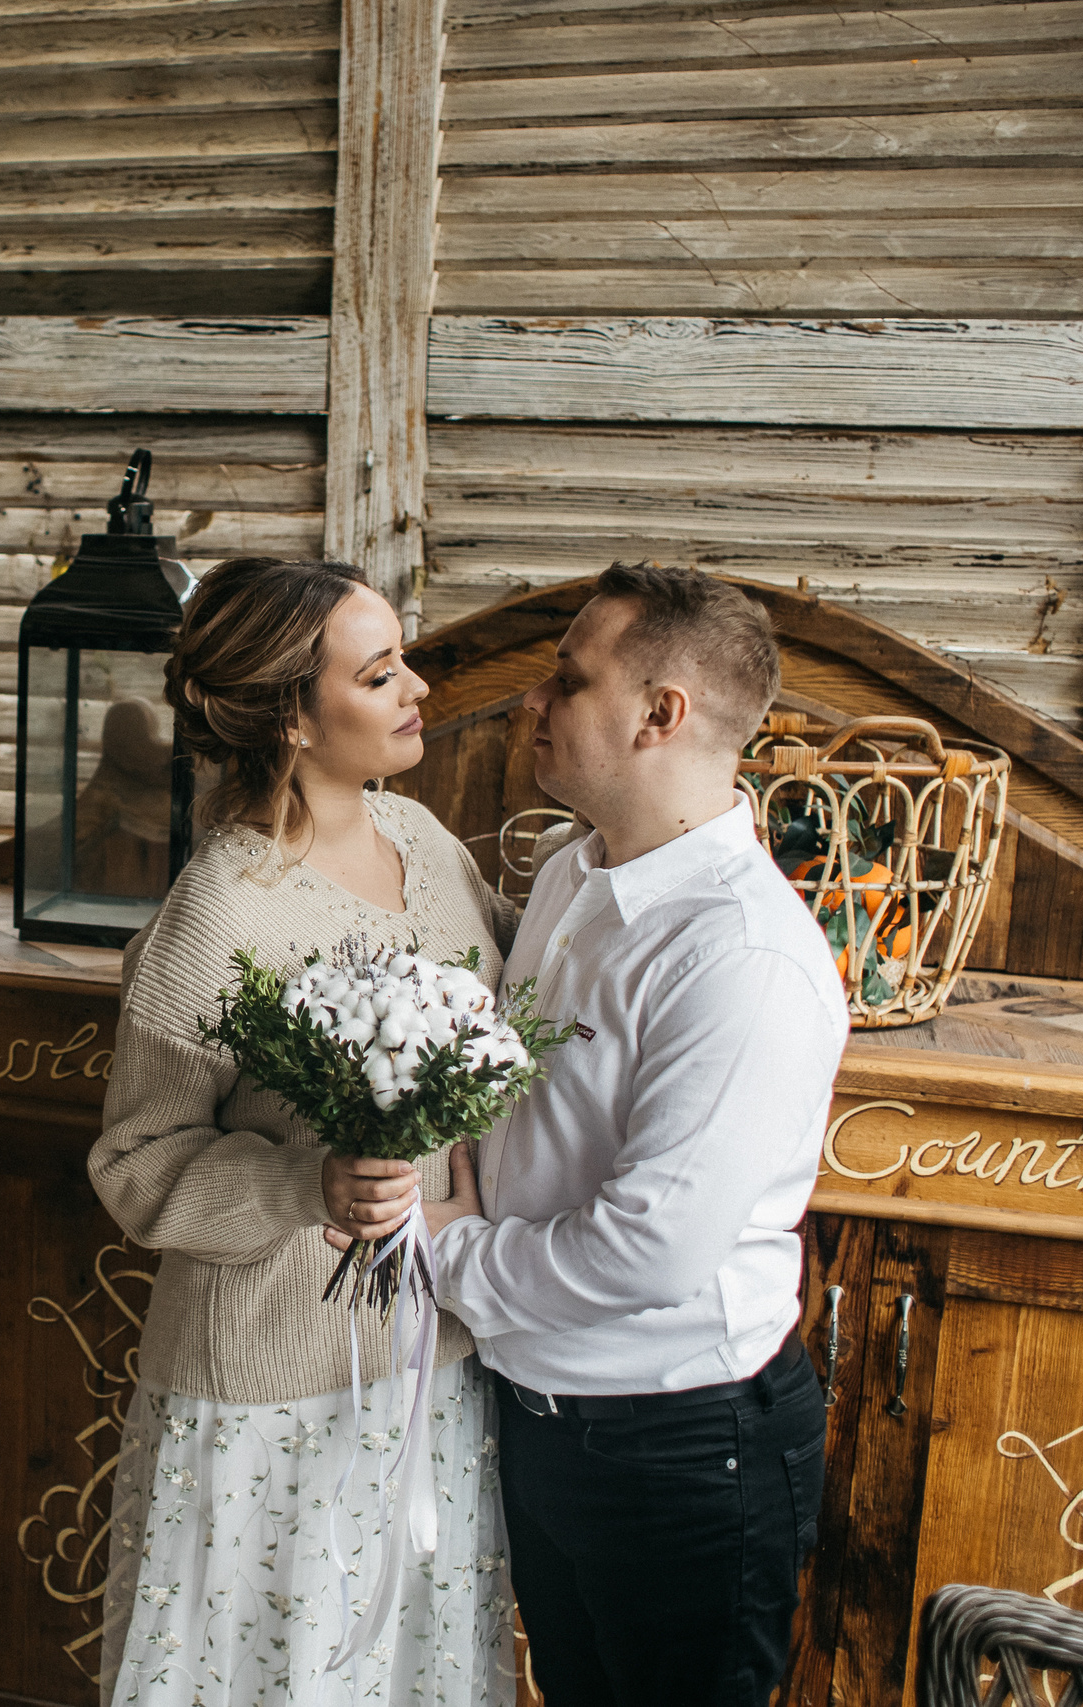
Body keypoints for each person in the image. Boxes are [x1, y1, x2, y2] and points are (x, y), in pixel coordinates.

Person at [89, 557, 520, 1706]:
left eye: (401, 660)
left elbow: (521, 996)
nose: (415, 686)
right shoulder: (221, 910)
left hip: (431, 1364)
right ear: (289, 712)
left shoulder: (424, 839)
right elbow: (135, 1164)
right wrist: (304, 1187)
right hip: (268, 1392)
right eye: (379, 675)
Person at [426, 562, 848, 1707]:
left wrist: (442, 1249)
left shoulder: (740, 959)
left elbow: (648, 1251)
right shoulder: (574, 874)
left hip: (679, 1448)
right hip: (543, 1415)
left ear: (659, 714)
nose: (531, 704)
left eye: (567, 680)